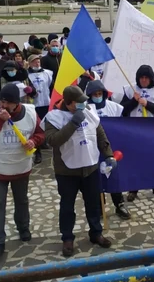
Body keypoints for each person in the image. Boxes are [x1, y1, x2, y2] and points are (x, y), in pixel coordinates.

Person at [0, 83, 45, 260]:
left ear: (17, 103)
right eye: (2, 101)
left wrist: (34, 142)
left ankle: (24, 228)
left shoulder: (29, 112)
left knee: (21, 200)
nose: (3, 105)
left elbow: (40, 133)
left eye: (8, 103)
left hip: (20, 166)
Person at [44, 86, 115, 255]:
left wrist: (108, 155)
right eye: (79, 102)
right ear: (69, 104)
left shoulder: (89, 111)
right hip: (67, 172)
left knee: (93, 203)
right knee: (67, 206)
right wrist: (73, 122)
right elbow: (53, 140)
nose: (84, 104)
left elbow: (99, 134)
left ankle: (96, 233)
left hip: (90, 167)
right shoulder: (53, 118)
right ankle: (67, 238)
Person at [120, 65, 154, 201]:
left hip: (152, 131)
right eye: (141, 78)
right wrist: (133, 101)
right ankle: (133, 189)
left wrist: (147, 103)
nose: (143, 80)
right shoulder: (130, 90)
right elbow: (122, 110)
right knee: (134, 160)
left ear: (151, 79)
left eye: (146, 78)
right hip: (134, 130)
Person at [85, 80, 132, 220]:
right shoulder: (86, 109)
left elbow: (122, 126)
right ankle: (99, 207)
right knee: (96, 178)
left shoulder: (115, 107)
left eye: (100, 93)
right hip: (93, 148)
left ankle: (119, 204)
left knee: (113, 176)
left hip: (111, 148)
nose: (98, 96)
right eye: (95, 94)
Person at [27, 54, 54, 164]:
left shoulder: (48, 73)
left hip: (46, 102)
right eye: (34, 61)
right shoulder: (27, 74)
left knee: (45, 123)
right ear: (30, 63)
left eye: (38, 61)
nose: (37, 63)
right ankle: (37, 152)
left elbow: (51, 86)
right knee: (35, 126)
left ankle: (44, 141)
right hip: (34, 104)